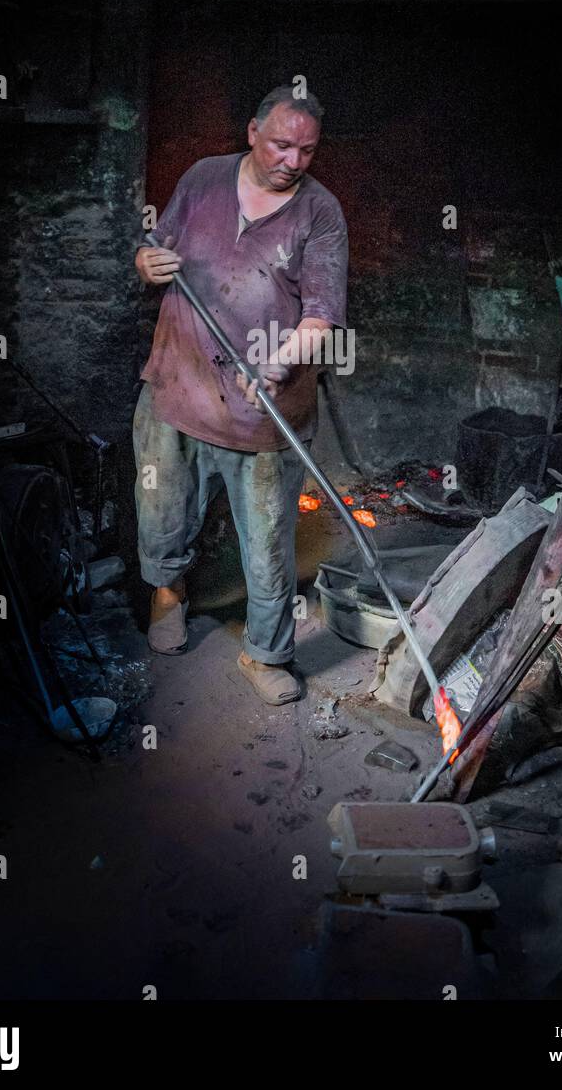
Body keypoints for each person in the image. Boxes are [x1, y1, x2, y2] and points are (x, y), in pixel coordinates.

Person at [133, 85, 348, 704]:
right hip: (177, 383)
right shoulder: (203, 177)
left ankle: (266, 652)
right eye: (282, 144)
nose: (293, 160)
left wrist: (278, 366)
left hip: (263, 409)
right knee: (162, 506)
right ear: (253, 132)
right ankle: (167, 595)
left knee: (269, 536)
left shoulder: (321, 213)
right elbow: (155, 249)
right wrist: (147, 263)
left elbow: (322, 319)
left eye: (307, 151)